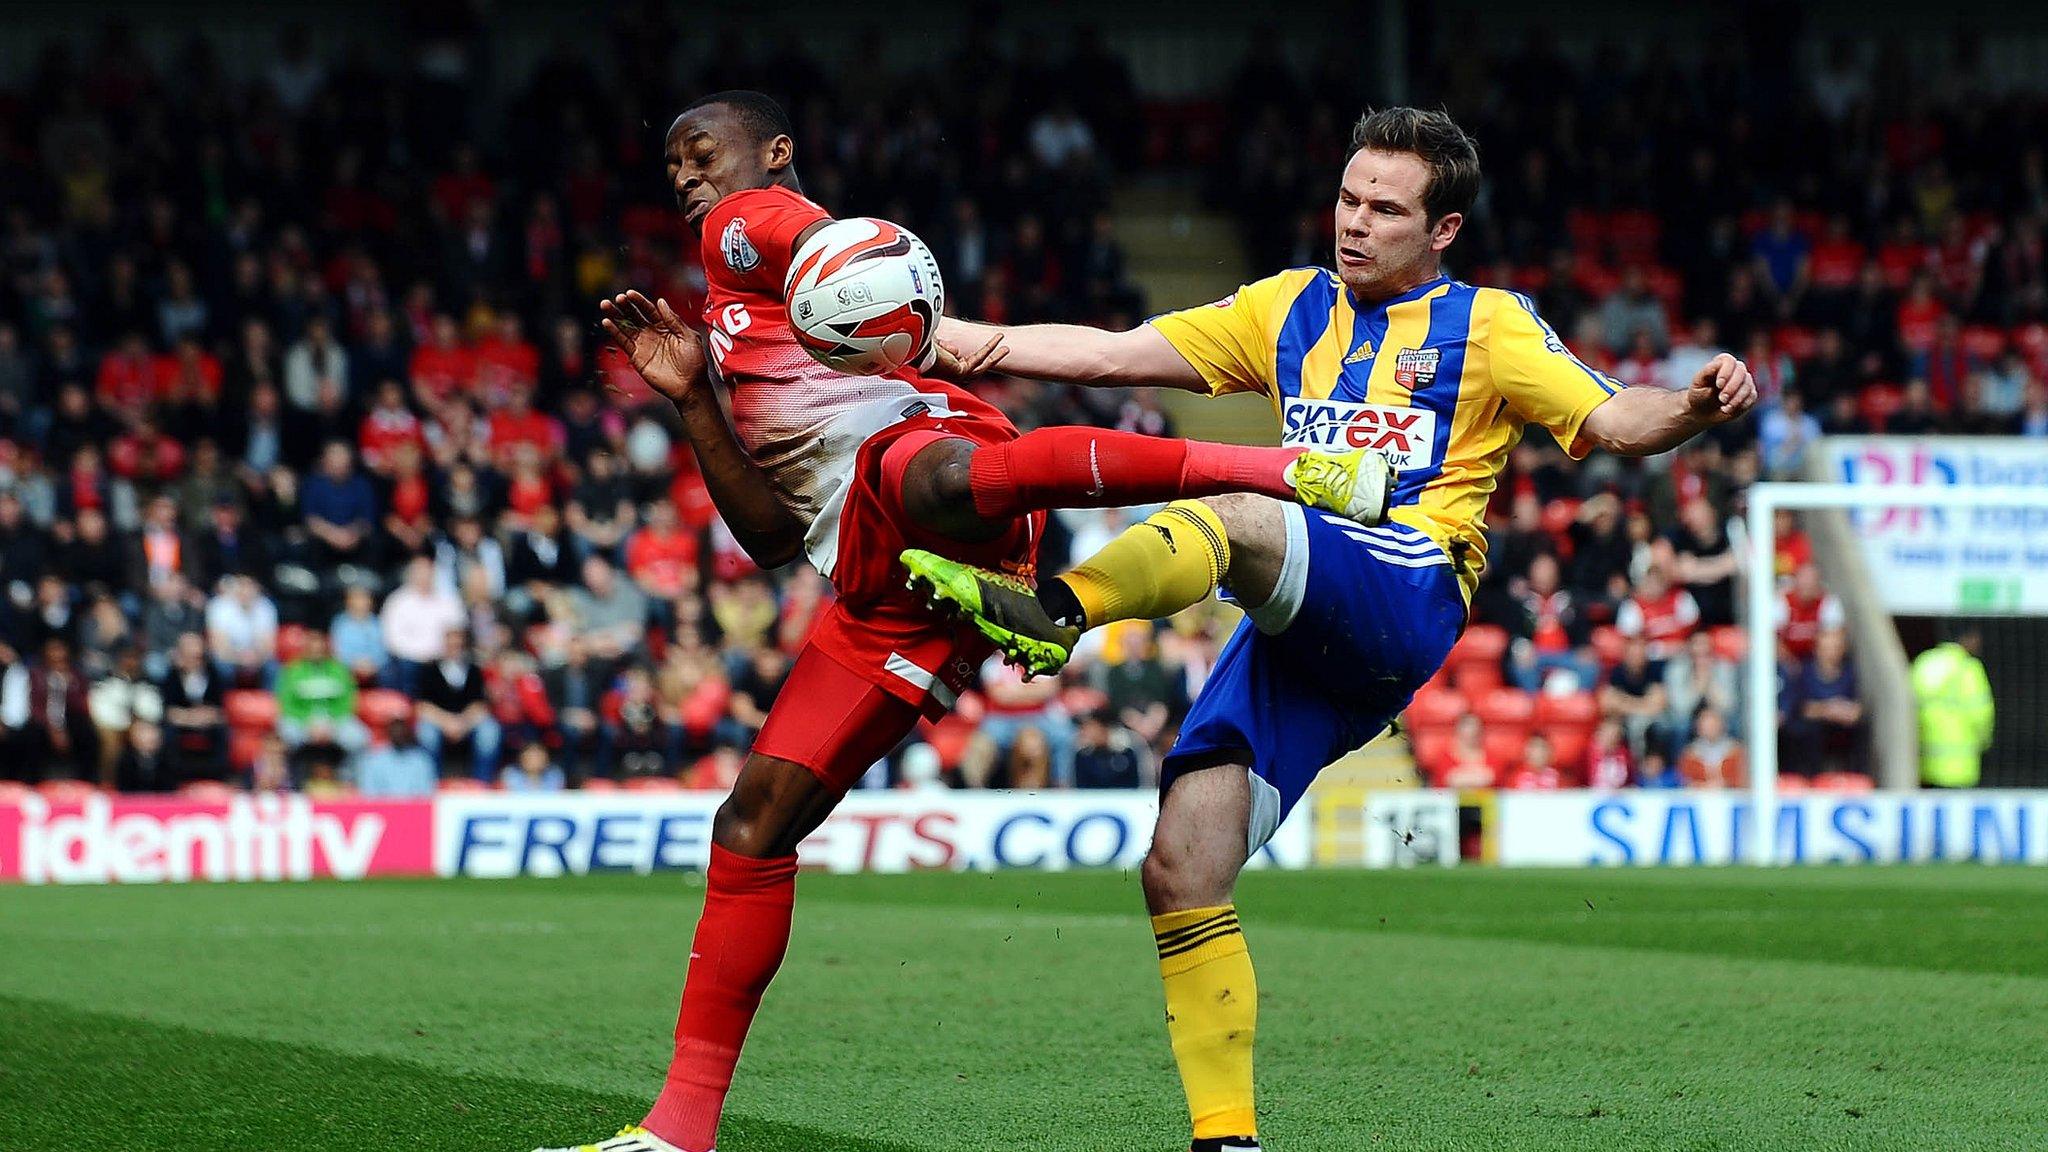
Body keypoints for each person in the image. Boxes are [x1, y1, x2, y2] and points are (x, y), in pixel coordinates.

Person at [537, 89, 1389, 1152]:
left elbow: (816, 239)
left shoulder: (747, 226)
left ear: (775, 153)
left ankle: (1280, 470)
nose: (683, 175)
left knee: (925, 473)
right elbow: (764, 538)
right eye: (670, 163)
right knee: (752, 826)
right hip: (878, 580)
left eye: (699, 151)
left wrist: (857, 271)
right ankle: (677, 1132)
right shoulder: (723, 329)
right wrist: (693, 402)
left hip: (930, 472)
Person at [904, 106, 1755, 1151]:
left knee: (1244, 515)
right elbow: (1122, 353)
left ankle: (1058, 612)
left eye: (1385, 209)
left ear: (1440, 232)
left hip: (1406, 590)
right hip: (1307, 624)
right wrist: (964, 342)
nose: (1354, 223)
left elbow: (1618, 420)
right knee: (1178, 867)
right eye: (1348, 198)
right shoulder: (1289, 306)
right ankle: (1226, 1140)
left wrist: (1694, 404)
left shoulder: (1487, 328)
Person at [1911, 626, 1994, 788]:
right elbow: (1981, 715)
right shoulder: (1968, 669)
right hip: (1960, 767)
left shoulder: (1923, 662)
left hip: (1924, 766)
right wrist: (1984, 742)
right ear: (1968, 638)